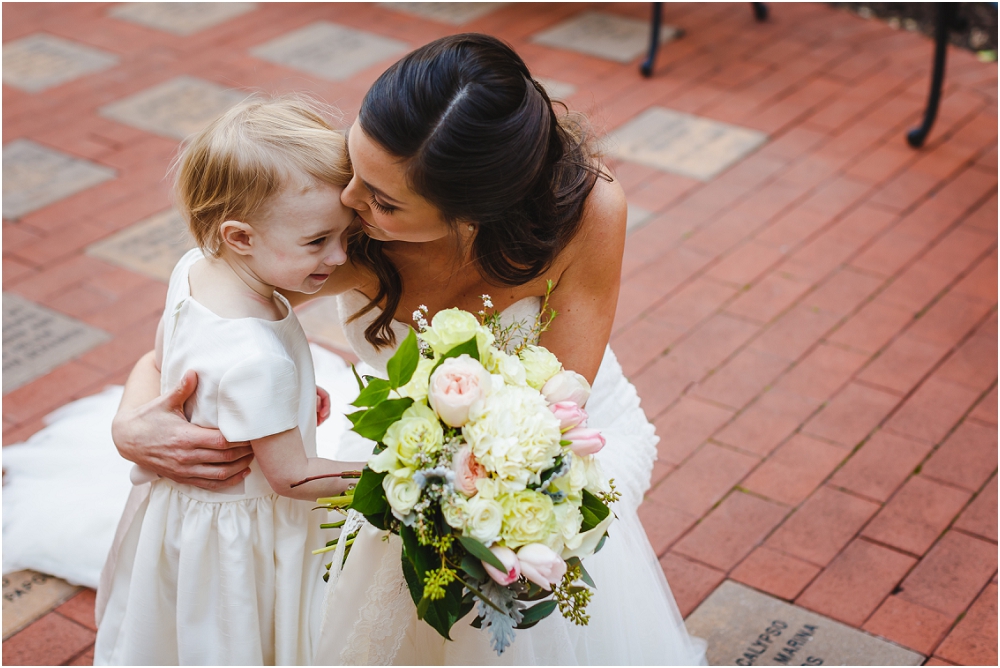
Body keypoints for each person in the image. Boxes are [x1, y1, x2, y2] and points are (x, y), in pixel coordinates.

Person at [53, 34, 706, 664]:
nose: (349, 199)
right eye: (355, 163)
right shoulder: (335, 225)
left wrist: (455, 496)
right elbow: (203, 334)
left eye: (383, 201)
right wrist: (131, 420)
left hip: (550, 440)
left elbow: (558, 411)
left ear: (472, 211)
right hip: (405, 452)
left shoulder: (587, 210)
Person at [93, 96, 364, 665]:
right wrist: (398, 475)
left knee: (180, 626)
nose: (339, 256)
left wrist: (276, 407)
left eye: (344, 234)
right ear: (240, 236)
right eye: (317, 241)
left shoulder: (192, 267)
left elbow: (173, 366)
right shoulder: (257, 359)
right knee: (232, 633)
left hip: (181, 516)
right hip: (240, 530)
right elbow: (292, 479)